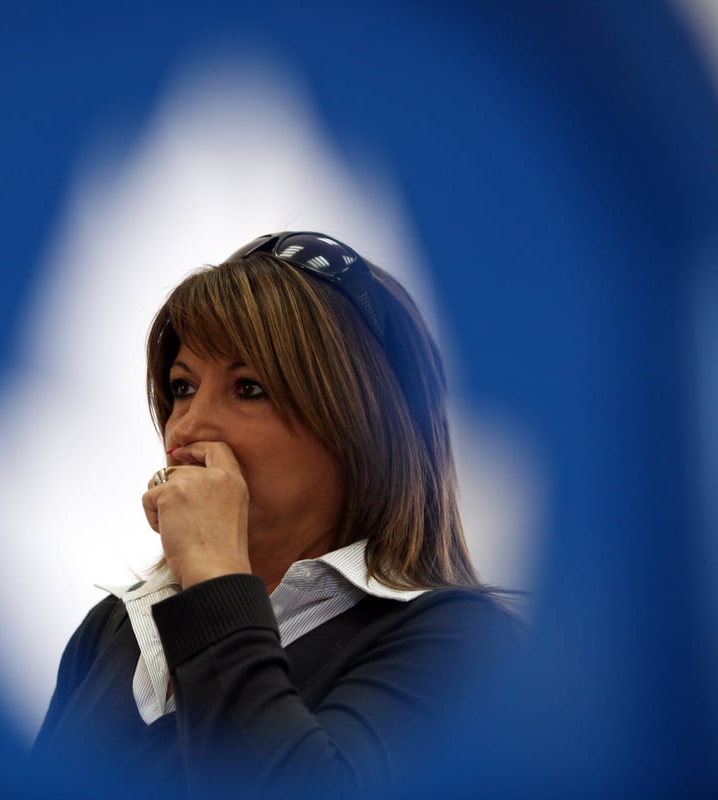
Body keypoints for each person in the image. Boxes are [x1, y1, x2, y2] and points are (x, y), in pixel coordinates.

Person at [30, 232, 521, 797]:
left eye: (249, 388)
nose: (186, 427)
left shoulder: (461, 643)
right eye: (182, 387)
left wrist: (213, 576)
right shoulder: (112, 629)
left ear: (362, 433)